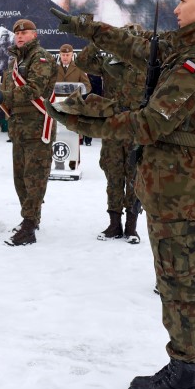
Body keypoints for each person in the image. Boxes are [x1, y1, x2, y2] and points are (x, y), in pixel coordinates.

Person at [48, 0, 195, 389]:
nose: (176, 7)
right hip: (182, 182)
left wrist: (81, 115)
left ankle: (183, 379)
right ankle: (182, 368)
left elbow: (150, 122)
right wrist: (86, 28)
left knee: (180, 286)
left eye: (185, 0)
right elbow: (140, 48)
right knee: (180, 280)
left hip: (182, 188)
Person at [0, 19, 57, 246]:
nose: (19, 36)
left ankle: (29, 226)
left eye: (25, 33)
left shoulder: (41, 58)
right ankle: (30, 218)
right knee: (20, 179)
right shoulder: (15, 63)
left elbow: (34, 89)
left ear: (35, 35)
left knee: (34, 177)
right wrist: (0, 97)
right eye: (17, 33)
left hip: (37, 125)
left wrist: (5, 97)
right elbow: (8, 92)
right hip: (19, 127)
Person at [74, 40, 145, 242]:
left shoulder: (147, 65)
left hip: (136, 129)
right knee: (113, 175)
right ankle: (114, 224)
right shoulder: (109, 64)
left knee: (135, 177)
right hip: (113, 129)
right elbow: (82, 61)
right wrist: (98, 40)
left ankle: (131, 227)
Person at [56, 43, 93, 145]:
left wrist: (78, 91)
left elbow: (88, 86)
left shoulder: (79, 68)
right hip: (57, 107)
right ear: (59, 55)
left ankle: (73, 160)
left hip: (73, 107)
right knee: (58, 139)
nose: (65, 57)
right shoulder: (53, 68)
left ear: (72, 55)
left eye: (67, 55)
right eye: (63, 55)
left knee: (72, 138)